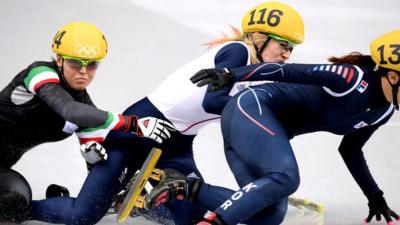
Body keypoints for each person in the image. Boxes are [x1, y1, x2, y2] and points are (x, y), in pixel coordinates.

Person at [26, 2, 306, 225]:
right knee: (82, 215)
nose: (287, 54)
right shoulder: (237, 52)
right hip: (140, 131)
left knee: (189, 215)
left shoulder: (257, 73)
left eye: (291, 48)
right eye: (283, 45)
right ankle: (20, 208)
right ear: (259, 37)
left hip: (177, 143)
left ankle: (144, 200)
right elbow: (213, 102)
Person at [180, 29, 400, 225]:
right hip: (251, 108)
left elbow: (350, 150)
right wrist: (231, 74)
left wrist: (374, 195)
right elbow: (285, 70)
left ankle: (182, 186)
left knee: (269, 215)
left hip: (251, 134)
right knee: (286, 177)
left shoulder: (385, 111)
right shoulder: (351, 77)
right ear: (392, 76)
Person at [0, 21, 173, 223]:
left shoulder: (86, 108)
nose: (84, 71)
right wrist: (132, 124)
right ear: (59, 59)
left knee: (15, 204)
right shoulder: (40, 73)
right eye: (75, 63)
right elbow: (69, 110)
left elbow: (95, 168)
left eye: (92, 64)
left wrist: (94, 161)